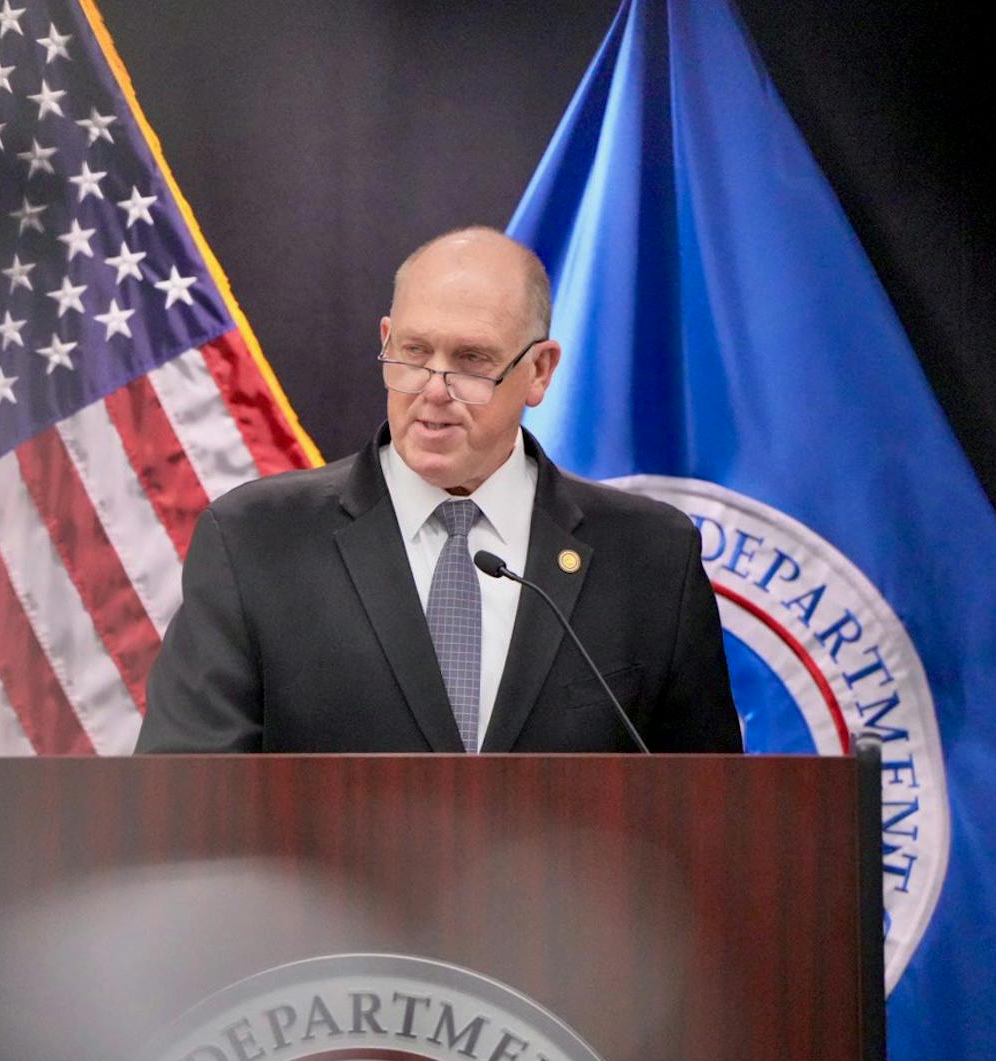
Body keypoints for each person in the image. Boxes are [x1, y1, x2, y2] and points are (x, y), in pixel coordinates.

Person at [136, 227, 741, 754]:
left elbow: (713, 811)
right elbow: (184, 798)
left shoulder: (651, 557)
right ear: (386, 338)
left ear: (539, 372)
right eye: (414, 353)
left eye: (472, 361)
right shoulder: (255, 541)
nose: (432, 389)